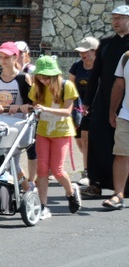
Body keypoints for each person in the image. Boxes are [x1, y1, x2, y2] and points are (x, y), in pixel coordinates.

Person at [82, 5, 129, 199]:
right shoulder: (106, 43)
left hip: (126, 101)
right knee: (97, 139)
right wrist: (87, 101)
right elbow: (96, 74)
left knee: (123, 147)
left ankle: (123, 187)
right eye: (114, 18)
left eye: (120, 18)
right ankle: (97, 183)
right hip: (104, 100)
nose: (116, 22)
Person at [29, 55, 82, 219]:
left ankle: (71, 192)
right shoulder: (37, 87)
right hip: (43, 132)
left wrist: (44, 109)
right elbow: (34, 108)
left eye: (47, 76)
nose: (43, 80)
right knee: (42, 170)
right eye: (40, 76)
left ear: (55, 74)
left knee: (57, 170)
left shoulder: (67, 86)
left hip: (61, 132)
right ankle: (43, 206)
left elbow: (67, 111)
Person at [0, 41, 34, 191]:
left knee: (12, 164)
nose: (3, 60)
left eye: (6, 57)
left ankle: (27, 189)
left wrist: (23, 107)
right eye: (0, 57)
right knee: (5, 163)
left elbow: (32, 105)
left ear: (15, 58)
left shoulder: (23, 78)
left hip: (17, 127)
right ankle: (23, 189)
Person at [68, 36, 98, 186]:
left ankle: (87, 172)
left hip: (96, 106)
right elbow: (70, 86)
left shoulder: (102, 66)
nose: (82, 55)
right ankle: (91, 165)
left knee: (86, 138)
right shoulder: (77, 66)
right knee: (79, 141)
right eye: (80, 52)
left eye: (85, 52)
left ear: (94, 51)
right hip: (78, 108)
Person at [103, 49, 129, 210]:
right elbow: (119, 85)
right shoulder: (126, 56)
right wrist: (112, 111)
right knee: (121, 154)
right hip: (126, 115)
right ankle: (118, 194)